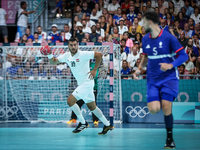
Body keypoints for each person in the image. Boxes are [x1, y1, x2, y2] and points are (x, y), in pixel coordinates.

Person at [134, 11, 188, 149]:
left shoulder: (169, 38)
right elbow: (145, 57)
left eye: (144, 22)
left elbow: (183, 56)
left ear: (150, 22)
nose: (142, 24)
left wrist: (171, 65)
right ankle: (160, 96)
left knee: (165, 107)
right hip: (152, 79)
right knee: (153, 109)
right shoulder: (145, 39)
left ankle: (169, 138)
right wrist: (139, 69)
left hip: (168, 78)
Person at [46, 37, 114, 134]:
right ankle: (107, 125)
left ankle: (83, 123)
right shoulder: (66, 56)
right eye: (71, 45)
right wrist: (49, 53)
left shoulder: (83, 54)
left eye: (75, 45)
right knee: (92, 107)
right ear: (68, 46)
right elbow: (53, 61)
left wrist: (94, 70)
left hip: (87, 83)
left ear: (77, 45)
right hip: (82, 83)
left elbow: (99, 55)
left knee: (70, 101)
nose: (73, 47)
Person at [67, 60, 100, 126]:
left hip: (92, 88)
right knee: (77, 103)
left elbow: (94, 76)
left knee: (93, 104)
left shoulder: (94, 65)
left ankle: (96, 120)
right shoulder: (82, 65)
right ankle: (73, 119)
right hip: (83, 88)